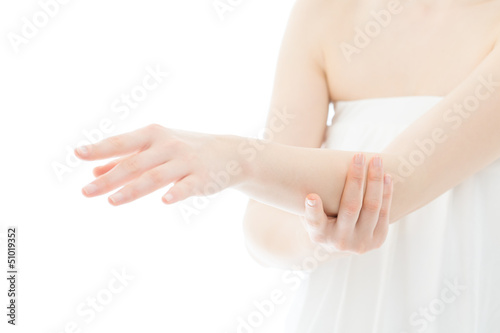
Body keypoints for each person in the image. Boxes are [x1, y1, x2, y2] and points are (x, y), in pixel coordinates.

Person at [75, 0, 500, 331]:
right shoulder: (324, 15)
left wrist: (235, 157)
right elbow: (263, 232)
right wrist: (320, 235)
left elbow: (393, 183)